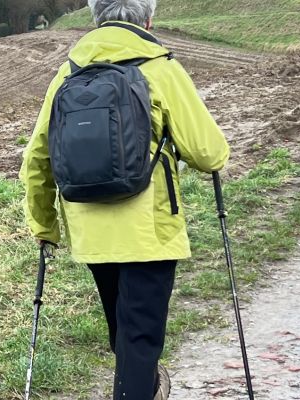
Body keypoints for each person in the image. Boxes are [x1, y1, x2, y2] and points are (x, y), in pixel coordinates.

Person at [20, 0, 230, 398]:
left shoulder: (67, 74)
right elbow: (209, 153)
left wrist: (44, 226)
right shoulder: (160, 68)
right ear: (148, 19)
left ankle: (145, 385)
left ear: (94, 18)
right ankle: (141, 386)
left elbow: (36, 158)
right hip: (148, 231)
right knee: (139, 340)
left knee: (127, 335)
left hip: (90, 232)